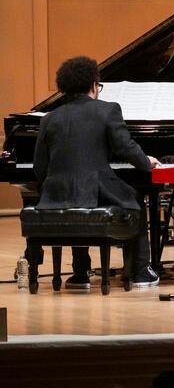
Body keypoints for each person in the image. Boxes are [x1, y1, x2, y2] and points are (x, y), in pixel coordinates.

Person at [31, 56, 160, 287]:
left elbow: (39, 168)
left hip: (56, 194)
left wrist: (55, 186)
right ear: (93, 85)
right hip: (97, 189)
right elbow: (124, 147)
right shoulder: (108, 110)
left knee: (75, 201)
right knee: (135, 198)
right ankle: (140, 271)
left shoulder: (49, 118)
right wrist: (146, 162)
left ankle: (80, 273)